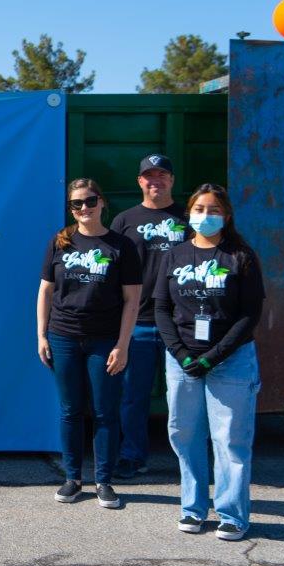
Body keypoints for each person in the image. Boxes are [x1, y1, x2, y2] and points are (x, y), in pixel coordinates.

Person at [154, 183, 265, 541]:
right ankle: (193, 508)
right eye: (199, 209)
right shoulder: (174, 256)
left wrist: (213, 357)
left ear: (226, 215)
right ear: (189, 214)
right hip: (182, 361)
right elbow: (161, 308)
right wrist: (182, 354)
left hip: (230, 361)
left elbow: (250, 314)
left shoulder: (241, 256)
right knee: (184, 434)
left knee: (230, 439)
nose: (205, 216)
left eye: (213, 209)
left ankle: (232, 514)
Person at [37, 178, 141, 509]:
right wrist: (41, 334)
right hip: (63, 336)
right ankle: (72, 479)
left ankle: (104, 482)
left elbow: (132, 300)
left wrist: (122, 344)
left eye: (90, 201)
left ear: (102, 202)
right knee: (70, 410)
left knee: (105, 412)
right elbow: (45, 290)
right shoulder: (60, 242)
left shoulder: (122, 247)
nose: (84, 208)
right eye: (76, 204)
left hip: (105, 339)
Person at [109, 154, 188, 479]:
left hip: (182, 324)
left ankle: (191, 460)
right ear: (140, 181)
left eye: (162, 175)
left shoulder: (190, 217)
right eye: (149, 176)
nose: (156, 180)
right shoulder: (125, 220)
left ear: (172, 179)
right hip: (137, 323)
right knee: (132, 397)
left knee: (185, 398)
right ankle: (133, 456)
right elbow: (109, 271)